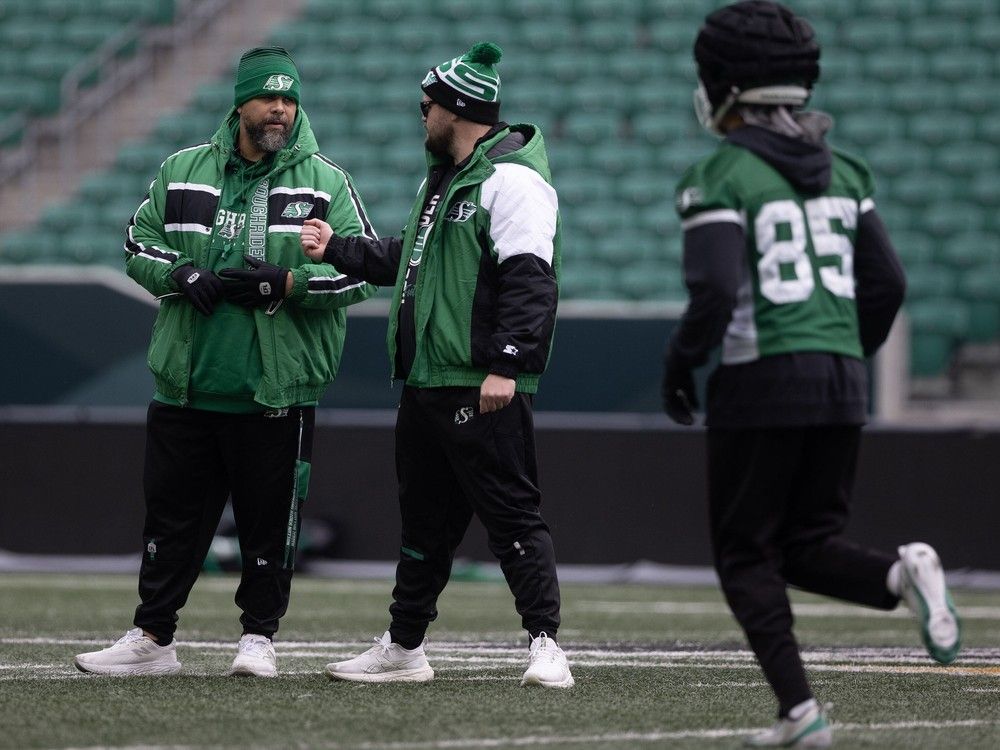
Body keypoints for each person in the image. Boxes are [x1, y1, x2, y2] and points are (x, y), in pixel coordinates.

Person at [661, 2, 961, 745]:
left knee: (743, 552)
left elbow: (717, 290)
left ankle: (801, 714)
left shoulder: (721, 173)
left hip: (760, 378)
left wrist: (680, 364)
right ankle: (903, 575)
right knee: (804, 545)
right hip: (839, 378)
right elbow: (887, 282)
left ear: (725, 82)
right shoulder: (847, 169)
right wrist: (839, 357)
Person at [74, 47, 376, 678]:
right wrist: (180, 272)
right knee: (172, 520)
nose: (280, 110)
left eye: (290, 99)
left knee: (270, 526)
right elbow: (136, 243)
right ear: (240, 103)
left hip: (275, 390)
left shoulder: (325, 182)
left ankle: (258, 639)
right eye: (268, 98)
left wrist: (288, 283)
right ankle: (153, 638)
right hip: (187, 384)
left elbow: (362, 274)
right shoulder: (183, 170)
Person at [300, 42, 572, 689]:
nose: (420, 117)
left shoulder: (514, 181)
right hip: (424, 383)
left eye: (427, 107)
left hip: (481, 383)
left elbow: (531, 280)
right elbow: (410, 261)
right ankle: (404, 646)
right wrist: (337, 248)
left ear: (457, 109)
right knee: (423, 524)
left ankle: (546, 644)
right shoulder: (441, 180)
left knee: (511, 517)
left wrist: (507, 363)